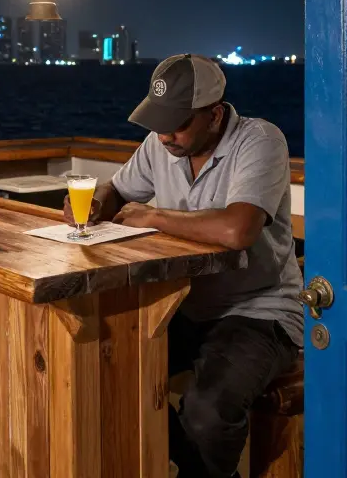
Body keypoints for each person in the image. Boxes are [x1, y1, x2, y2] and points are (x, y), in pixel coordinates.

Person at [63, 54, 303, 478]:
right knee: (104, 370)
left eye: (177, 123)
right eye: (158, 122)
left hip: (258, 312)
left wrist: (153, 216)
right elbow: (118, 190)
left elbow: (238, 230)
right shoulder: (161, 143)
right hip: (184, 303)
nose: (164, 134)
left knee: (207, 412)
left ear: (214, 115)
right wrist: (96, 202)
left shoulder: (260, 140)